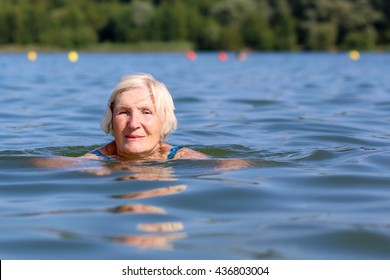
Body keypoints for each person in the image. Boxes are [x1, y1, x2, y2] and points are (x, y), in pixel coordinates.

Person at [83, 73, 207, 161]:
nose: (133, 124)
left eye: (146, 112)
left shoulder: (185, 158)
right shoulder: (94, 162)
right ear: (111, 119)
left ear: (163, 120)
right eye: (124, 112)